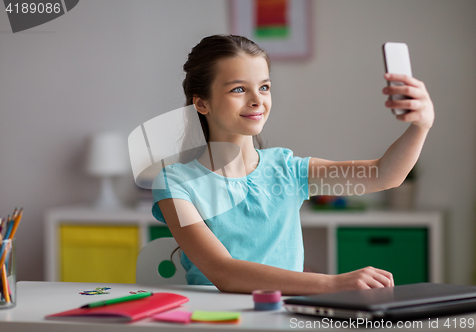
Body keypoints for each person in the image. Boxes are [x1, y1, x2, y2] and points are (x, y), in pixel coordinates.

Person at [152, 34, 434, 295]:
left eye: (264, 87)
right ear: (202, 104)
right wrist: (333, 282)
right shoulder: (176, 183)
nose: (257, 100)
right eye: (239, 89)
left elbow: (384, 175)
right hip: (215, 319)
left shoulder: (288, 169)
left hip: (281, 314)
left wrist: (421, 126)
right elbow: (223, 272)